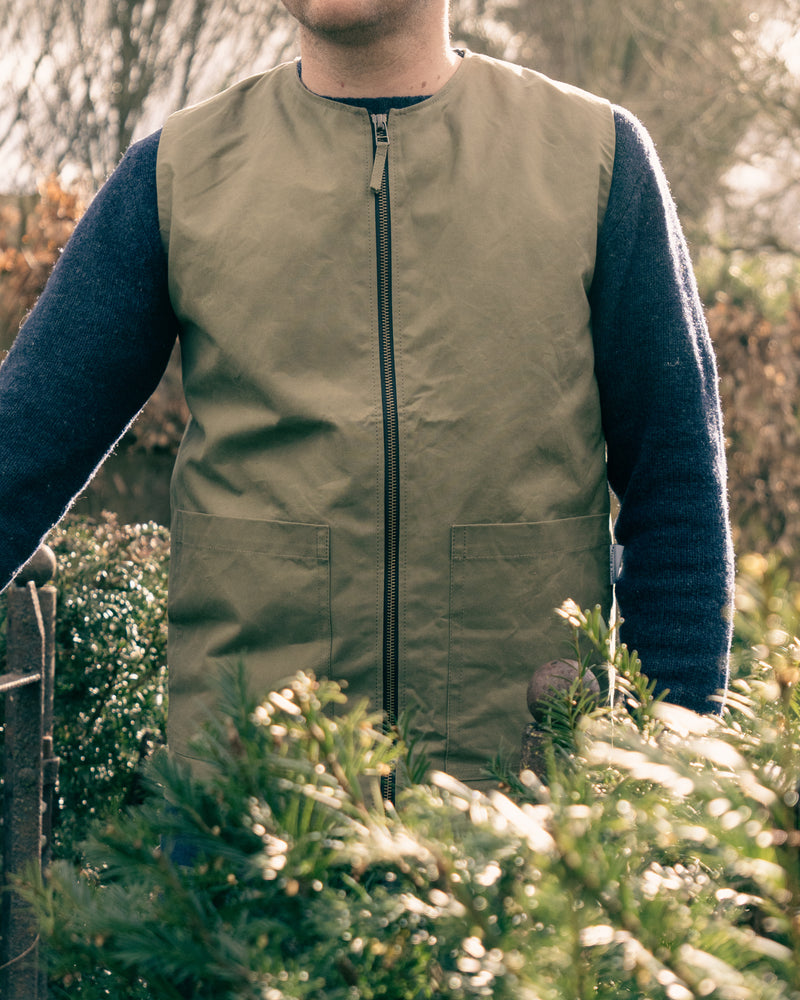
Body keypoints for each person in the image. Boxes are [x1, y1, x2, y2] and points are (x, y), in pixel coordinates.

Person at [0, 0, 733, 791]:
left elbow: (677, 491)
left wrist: (673, 781)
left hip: (523, 809)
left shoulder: (597, 159)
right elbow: (19, 454)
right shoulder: (175, 175)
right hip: (249, 809)